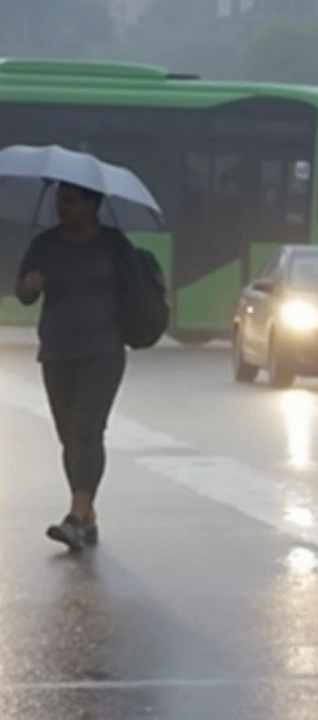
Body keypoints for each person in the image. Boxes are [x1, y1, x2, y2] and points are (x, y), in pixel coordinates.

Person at [14, 182, 130, 551]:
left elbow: (138, 290)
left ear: (92, 204)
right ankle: (87, 515)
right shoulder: (45, 245)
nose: (60, 208)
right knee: (68, 436)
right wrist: (30, 286)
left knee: (87, 427)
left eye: (69, 201)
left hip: (103, 351)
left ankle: (76, 515)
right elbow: (23, 292)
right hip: (57, 351)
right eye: (57, 201)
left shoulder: (114, 245)